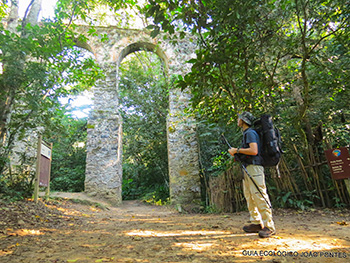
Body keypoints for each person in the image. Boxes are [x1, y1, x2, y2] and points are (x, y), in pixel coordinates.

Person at [228, 111, 276, 238]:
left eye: (239, 118)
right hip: (249, 167)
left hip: (255, 167)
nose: (237, 120)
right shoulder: (247, 133)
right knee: (250, 195)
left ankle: (269, 226)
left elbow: (254, 151)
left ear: (243, 121)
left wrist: (236, 150)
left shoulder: (250, 133)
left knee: (259, 194)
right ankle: (256, 222)